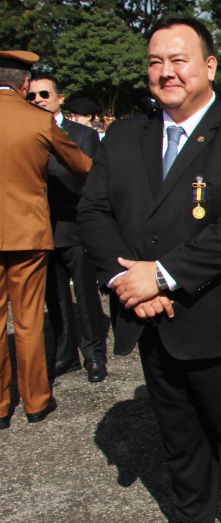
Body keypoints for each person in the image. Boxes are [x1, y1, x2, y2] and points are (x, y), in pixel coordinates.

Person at [77, 15, 221, 523]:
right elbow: (93, 211)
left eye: (178, 60)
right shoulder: (123, 135)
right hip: (151, 322)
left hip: (220, 321)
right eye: (155, 62)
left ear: (209, 66)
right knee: (181, 444)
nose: (166, 72)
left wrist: (162, 275)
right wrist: (127, 280)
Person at [0, 50, 92, 429]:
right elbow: (81, 165)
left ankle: (1, 405)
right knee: (28, 320)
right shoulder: (35, 120)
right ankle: (36, 399)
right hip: (28, 231)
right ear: (25, 85)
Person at [28, 73, 108, 383]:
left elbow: (93, 180)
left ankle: (93, 354)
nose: (38, 100)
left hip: (76, 226)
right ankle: (64, 355)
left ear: (60, 98)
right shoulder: (25, 132)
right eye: (32, 96)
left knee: (86, 295)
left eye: (44, 94)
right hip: (42, 228)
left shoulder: (81, 134)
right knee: (55, 297)